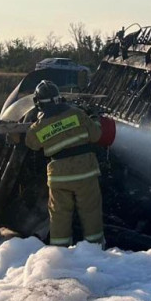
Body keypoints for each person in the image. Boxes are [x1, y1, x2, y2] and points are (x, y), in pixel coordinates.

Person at [25, 80, 115, 246]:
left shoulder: (39, 126)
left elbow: (31, 143)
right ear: (59, 98)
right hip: (85, 173)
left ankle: (60, 251)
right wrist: (94, 119)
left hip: (59, 178)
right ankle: (95, 248)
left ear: (38, 103)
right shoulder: (77, 114)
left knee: (59, 215)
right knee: (90, 211)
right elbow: (96, 136)